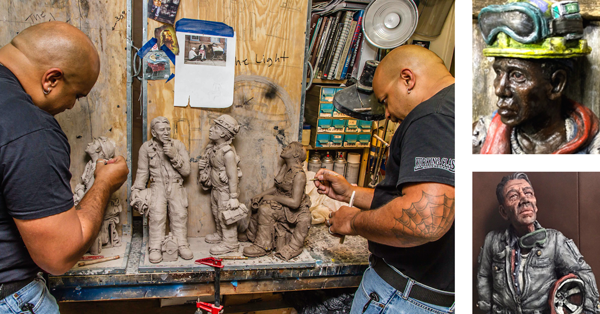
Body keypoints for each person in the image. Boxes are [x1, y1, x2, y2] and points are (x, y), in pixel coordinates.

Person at [314, 45, 455, 313]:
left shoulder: (432, 117)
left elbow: (425, 220)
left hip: (405, 300)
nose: (387, 114)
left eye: (385, 99)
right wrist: (351, 194)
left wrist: (352, 222)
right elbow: (427, 198)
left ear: (407, 79)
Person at [0, 21, 128, 312]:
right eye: (77, 95)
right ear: (51, 80)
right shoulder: (29, 128)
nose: (71, 106)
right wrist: (104, 183)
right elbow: (58, 257)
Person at [472, 0, 600, 154]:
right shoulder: (477, 138)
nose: (499, 89)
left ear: (556, 83)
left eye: (517, 75)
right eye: (498, 73)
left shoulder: (594, 147)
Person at [476, 173, 600, 314]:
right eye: (513, 196)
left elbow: (583, 274)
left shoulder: (555, 240)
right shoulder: (492, 240)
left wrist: (590, 311)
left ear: (535, 205)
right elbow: (484, 276)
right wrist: (486, 309)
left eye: (528, 193)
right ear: (504, 212)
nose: (524, 199)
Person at [131, 116, 193, 263]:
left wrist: (173, 155)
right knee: (156, 216)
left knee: (179, 214)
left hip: (176, 185)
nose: (166, 132)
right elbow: (142, 172)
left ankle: (182, 244)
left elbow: (186, 171)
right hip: (157, 186)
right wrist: (137, 189)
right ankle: (155, 247)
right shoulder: (146, 148)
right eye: (161, 130)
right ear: (153, 132)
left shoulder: (177, 145)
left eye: (168, 129)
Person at [244, 142, 312, 261]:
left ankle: (263, 246)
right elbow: (277, 188)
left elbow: (295, 203)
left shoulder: (299, 175)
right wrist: (261, 195)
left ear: (296, 154)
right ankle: (254, 237)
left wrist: (273, 198)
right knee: (260, 206)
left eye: (289, 147)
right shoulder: (286, 168)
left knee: (265, 209)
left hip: (294, 211)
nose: (284, 148)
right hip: (284, 205)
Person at [198, 114, 244, 255]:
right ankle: (221, 235)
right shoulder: (213, 148)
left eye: (215, 128)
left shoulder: (228, 153)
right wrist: (203, 167)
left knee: (226, 216)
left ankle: (230, 243)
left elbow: (232, 176)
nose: (211, 130)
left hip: (225, 191)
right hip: (216, 188)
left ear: (223, 133)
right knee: (217, 213)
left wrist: (233, 196)